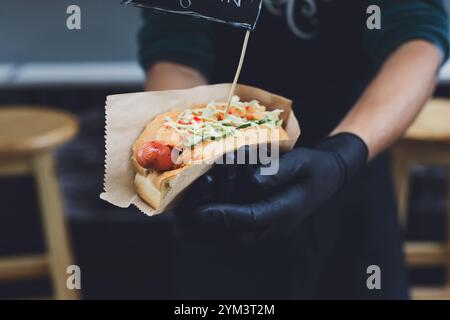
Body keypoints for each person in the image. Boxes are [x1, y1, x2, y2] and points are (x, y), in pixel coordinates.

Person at [138, 0, 449, 299]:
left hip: (353, 168)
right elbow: (176, 44)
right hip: (224, 182)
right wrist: (185, 147)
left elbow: (417, 38)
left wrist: (344, 153)